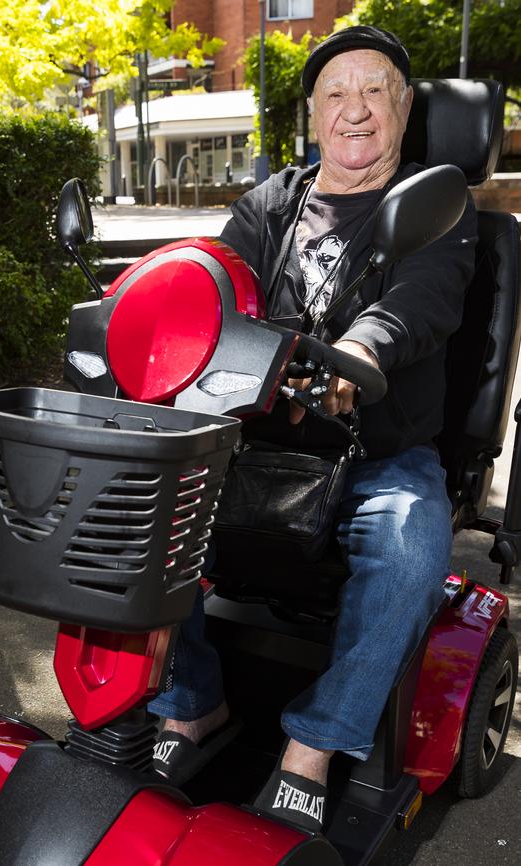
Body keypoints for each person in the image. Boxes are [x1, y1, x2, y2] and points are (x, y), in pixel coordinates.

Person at [149, 25, 478, 834]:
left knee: (411, 541)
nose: (356, 110)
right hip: (262, 445)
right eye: (337, 92)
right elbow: (216, 291)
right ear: (314, 113)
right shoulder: (269, 204)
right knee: (140, 498)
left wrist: (360, 351)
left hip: (380, 452)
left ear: (405, 109)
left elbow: (420, 303)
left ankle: (314, 748)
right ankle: (191, 700)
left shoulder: (438, 201)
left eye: (376, 91)